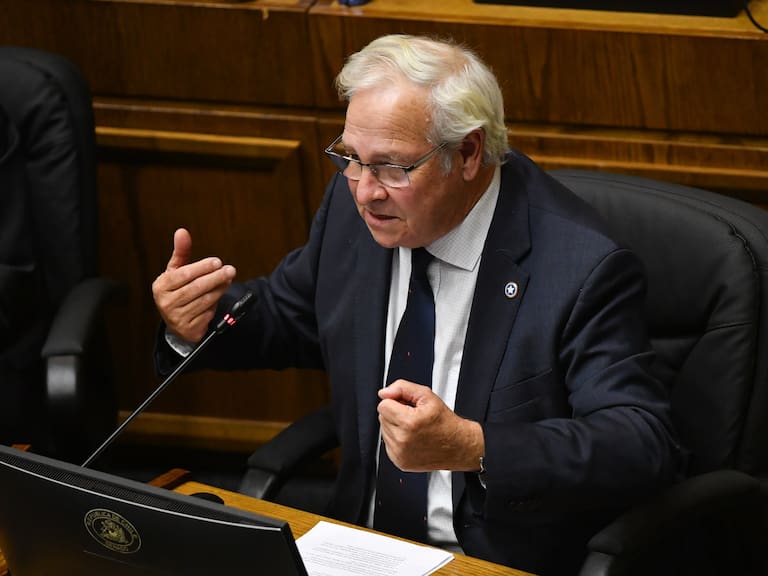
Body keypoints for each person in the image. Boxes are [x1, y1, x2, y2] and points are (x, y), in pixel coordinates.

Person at [152, 34, 683, 575]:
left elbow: (641, 443)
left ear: (468, 153)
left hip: (487, 561)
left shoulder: (580, 267)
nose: (365, 190)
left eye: (392, 166)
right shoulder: (356, 208)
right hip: (357, 548)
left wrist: (475, 446)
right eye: (351, 158)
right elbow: (290, 316)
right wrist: (196, 322)